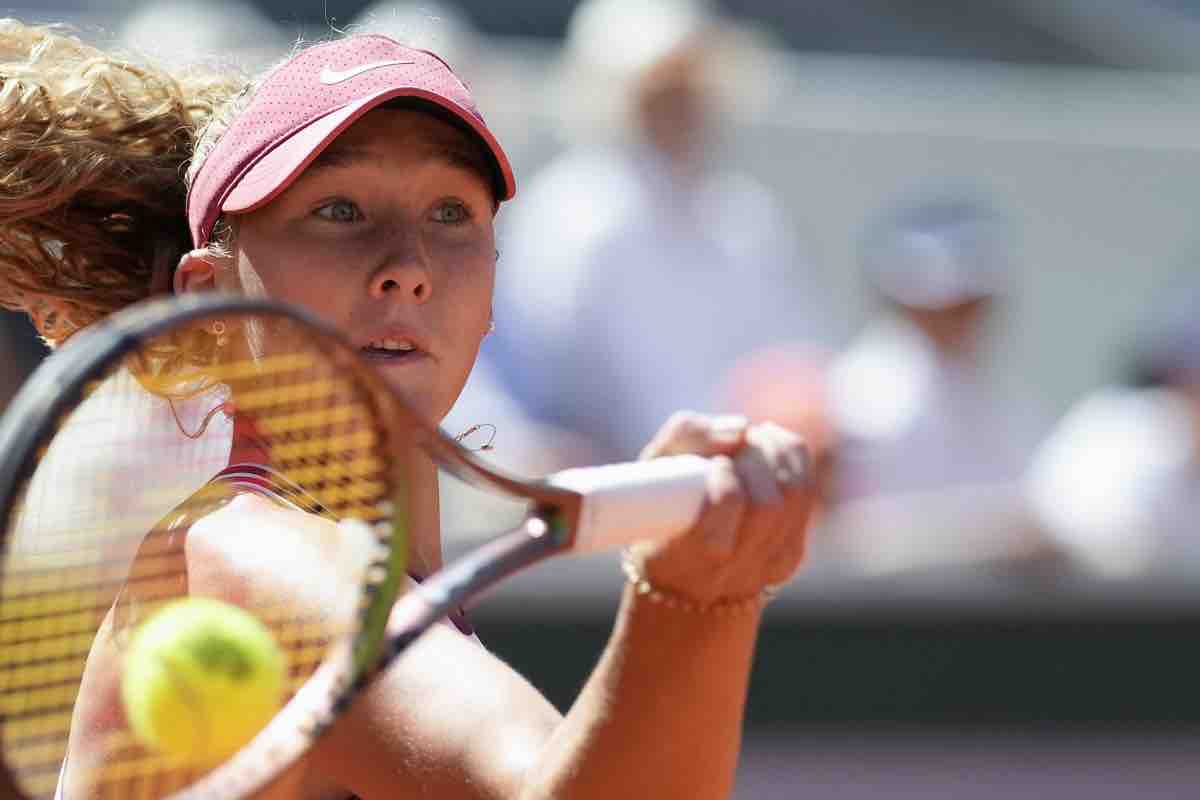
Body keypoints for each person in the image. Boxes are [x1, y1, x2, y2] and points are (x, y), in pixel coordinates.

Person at [0, 21, 812, 800]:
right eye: (339, 210)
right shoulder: (258, 560)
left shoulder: (357, 571)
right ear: (207, 302)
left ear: (491, 294)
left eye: (450, 213)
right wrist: (693, 600)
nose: (409, 266)